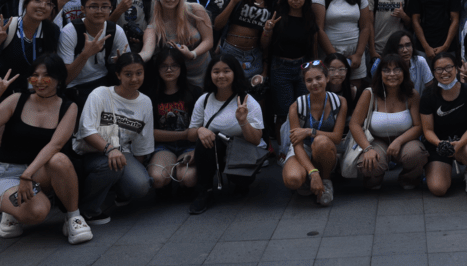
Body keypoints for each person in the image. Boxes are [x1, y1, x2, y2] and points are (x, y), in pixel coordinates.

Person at [0, 56, 92, 244]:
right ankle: (11, 210)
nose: (40, 81)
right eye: (35, 76)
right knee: (37, 213)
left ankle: (74, 218)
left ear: (59, 79)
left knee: (59, 159)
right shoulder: (16, 100)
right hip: (5, 175)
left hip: (36, 174)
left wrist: (27, 175)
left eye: (47, 76)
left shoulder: (68, 107)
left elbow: (55, 145)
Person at [74, 52, 154, 223]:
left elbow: (142, 143)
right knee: (112, 167)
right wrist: (109, 149)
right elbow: (86, 130)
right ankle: (88, 210)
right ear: (118, 75)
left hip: (121, 151)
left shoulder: (145, 102)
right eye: (128, 74)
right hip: (91, 153)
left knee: (140, 185)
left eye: (139, 73)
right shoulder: (100, 94)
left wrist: (132, 177)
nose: (134, 79)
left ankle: (119, 190)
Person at [188, 54, 266, 214]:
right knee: (205, 139)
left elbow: (256, 140)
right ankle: (205, 191)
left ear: (235, 73)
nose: (221, 76)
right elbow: (190, 134)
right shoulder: (204, 100)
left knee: (242, 180)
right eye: (216, 71)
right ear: (210, 74)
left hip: (242, 153)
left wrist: (243, 121)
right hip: (214, 151)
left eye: (226, 71)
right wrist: (200, 130)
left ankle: (239, 183)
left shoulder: (248, 101)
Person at [0, 0, 62, 115]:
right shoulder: (6, 28)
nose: (43, 6)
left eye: (49, 3)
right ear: (25, 3)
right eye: (37, 1)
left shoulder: (52, 31)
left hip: (29, 94)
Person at [349, 53, 428, 189]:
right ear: (380, 74)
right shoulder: (370, 93)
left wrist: (398, 141)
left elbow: (418, 126)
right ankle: (375, 178)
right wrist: (367, 148)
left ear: (404, 73)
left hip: (405, 141)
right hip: (376, 140)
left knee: (417, 154)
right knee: (369, 164)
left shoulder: (412, 94)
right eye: (386, 70)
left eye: (397, 69)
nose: (392, 74)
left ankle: (409, 178)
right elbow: (354, 124)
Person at [281, 60, 348, 206]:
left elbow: (337, 138)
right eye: (309, 80)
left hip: (326, 147)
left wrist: (309, 131)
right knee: (293, 180)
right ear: (304, 83)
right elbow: (297, 144)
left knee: (321, 141)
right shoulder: (296, 106)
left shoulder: (340, 102)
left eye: (319, 78)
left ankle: (326, 179)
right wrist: (312, 171)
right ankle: (311, 175)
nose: (315, 83)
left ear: (327, 78)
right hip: (302, 148)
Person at [420, 52, 467, 195]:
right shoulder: (428, 95)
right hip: (438, 145)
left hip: (464, 143)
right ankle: (435, 168)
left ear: (456, 68)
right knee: (438, 189)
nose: (444, 72)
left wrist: (459, 144)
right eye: (439, 69)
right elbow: (428, 130)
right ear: (433, 72)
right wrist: (441, 144)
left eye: (449, 67)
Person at [262, 0, 318, 141]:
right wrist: (267, 29)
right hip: (280, 68)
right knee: (283, 114)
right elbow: (264, 45)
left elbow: (313, 47)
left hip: (303, 68)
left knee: (303, 111)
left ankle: (301, 148)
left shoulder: (309, 17)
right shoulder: (278, 16)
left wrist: (314, 68)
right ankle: (283, 151)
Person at [61, 0, 130, 108]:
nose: (99, 11)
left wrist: (121, 64)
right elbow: (65, 79)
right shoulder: (70, 31)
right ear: (83, 9)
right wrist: (85, 54)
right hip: (75, 87)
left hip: (104, 82)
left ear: (111, 9)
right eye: (93, 6)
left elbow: (128, 68)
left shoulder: (115, 31)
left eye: (105, 6)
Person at [147, 46, 199, 192]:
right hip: (163, 146)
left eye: (174, 65)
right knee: (157, 178)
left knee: (187, 178)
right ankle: (167, 183)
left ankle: (182, 181)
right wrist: (184, 134)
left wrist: (190, 137)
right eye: (164, 66)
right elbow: (150, 132)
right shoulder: (150, 96)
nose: (169, 70)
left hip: (190, 146)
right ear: (157, 69)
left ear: (181, 68)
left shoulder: (194, 92)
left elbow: (201, 128)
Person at [144, 0, 214, 86]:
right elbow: (146, 52)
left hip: (203, 72)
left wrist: (192, 54)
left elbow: (208, 40)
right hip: (175, 79)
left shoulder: (195, 10)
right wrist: (131, 58)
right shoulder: (154, 25)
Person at [314, 0, 372, 84]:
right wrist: (336, 59)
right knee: (332, 93)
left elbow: (365, 27)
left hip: (356, 55)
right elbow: (319, 29)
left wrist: (358, 54)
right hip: (330, 54)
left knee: (355, 93)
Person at [215, 0, 272, 84]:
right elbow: (218, 25)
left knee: (254, 94)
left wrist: (267, 30)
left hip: (254, 56)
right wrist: (234, 2)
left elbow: (265, 44)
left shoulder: (271, 2)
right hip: (231, 52)